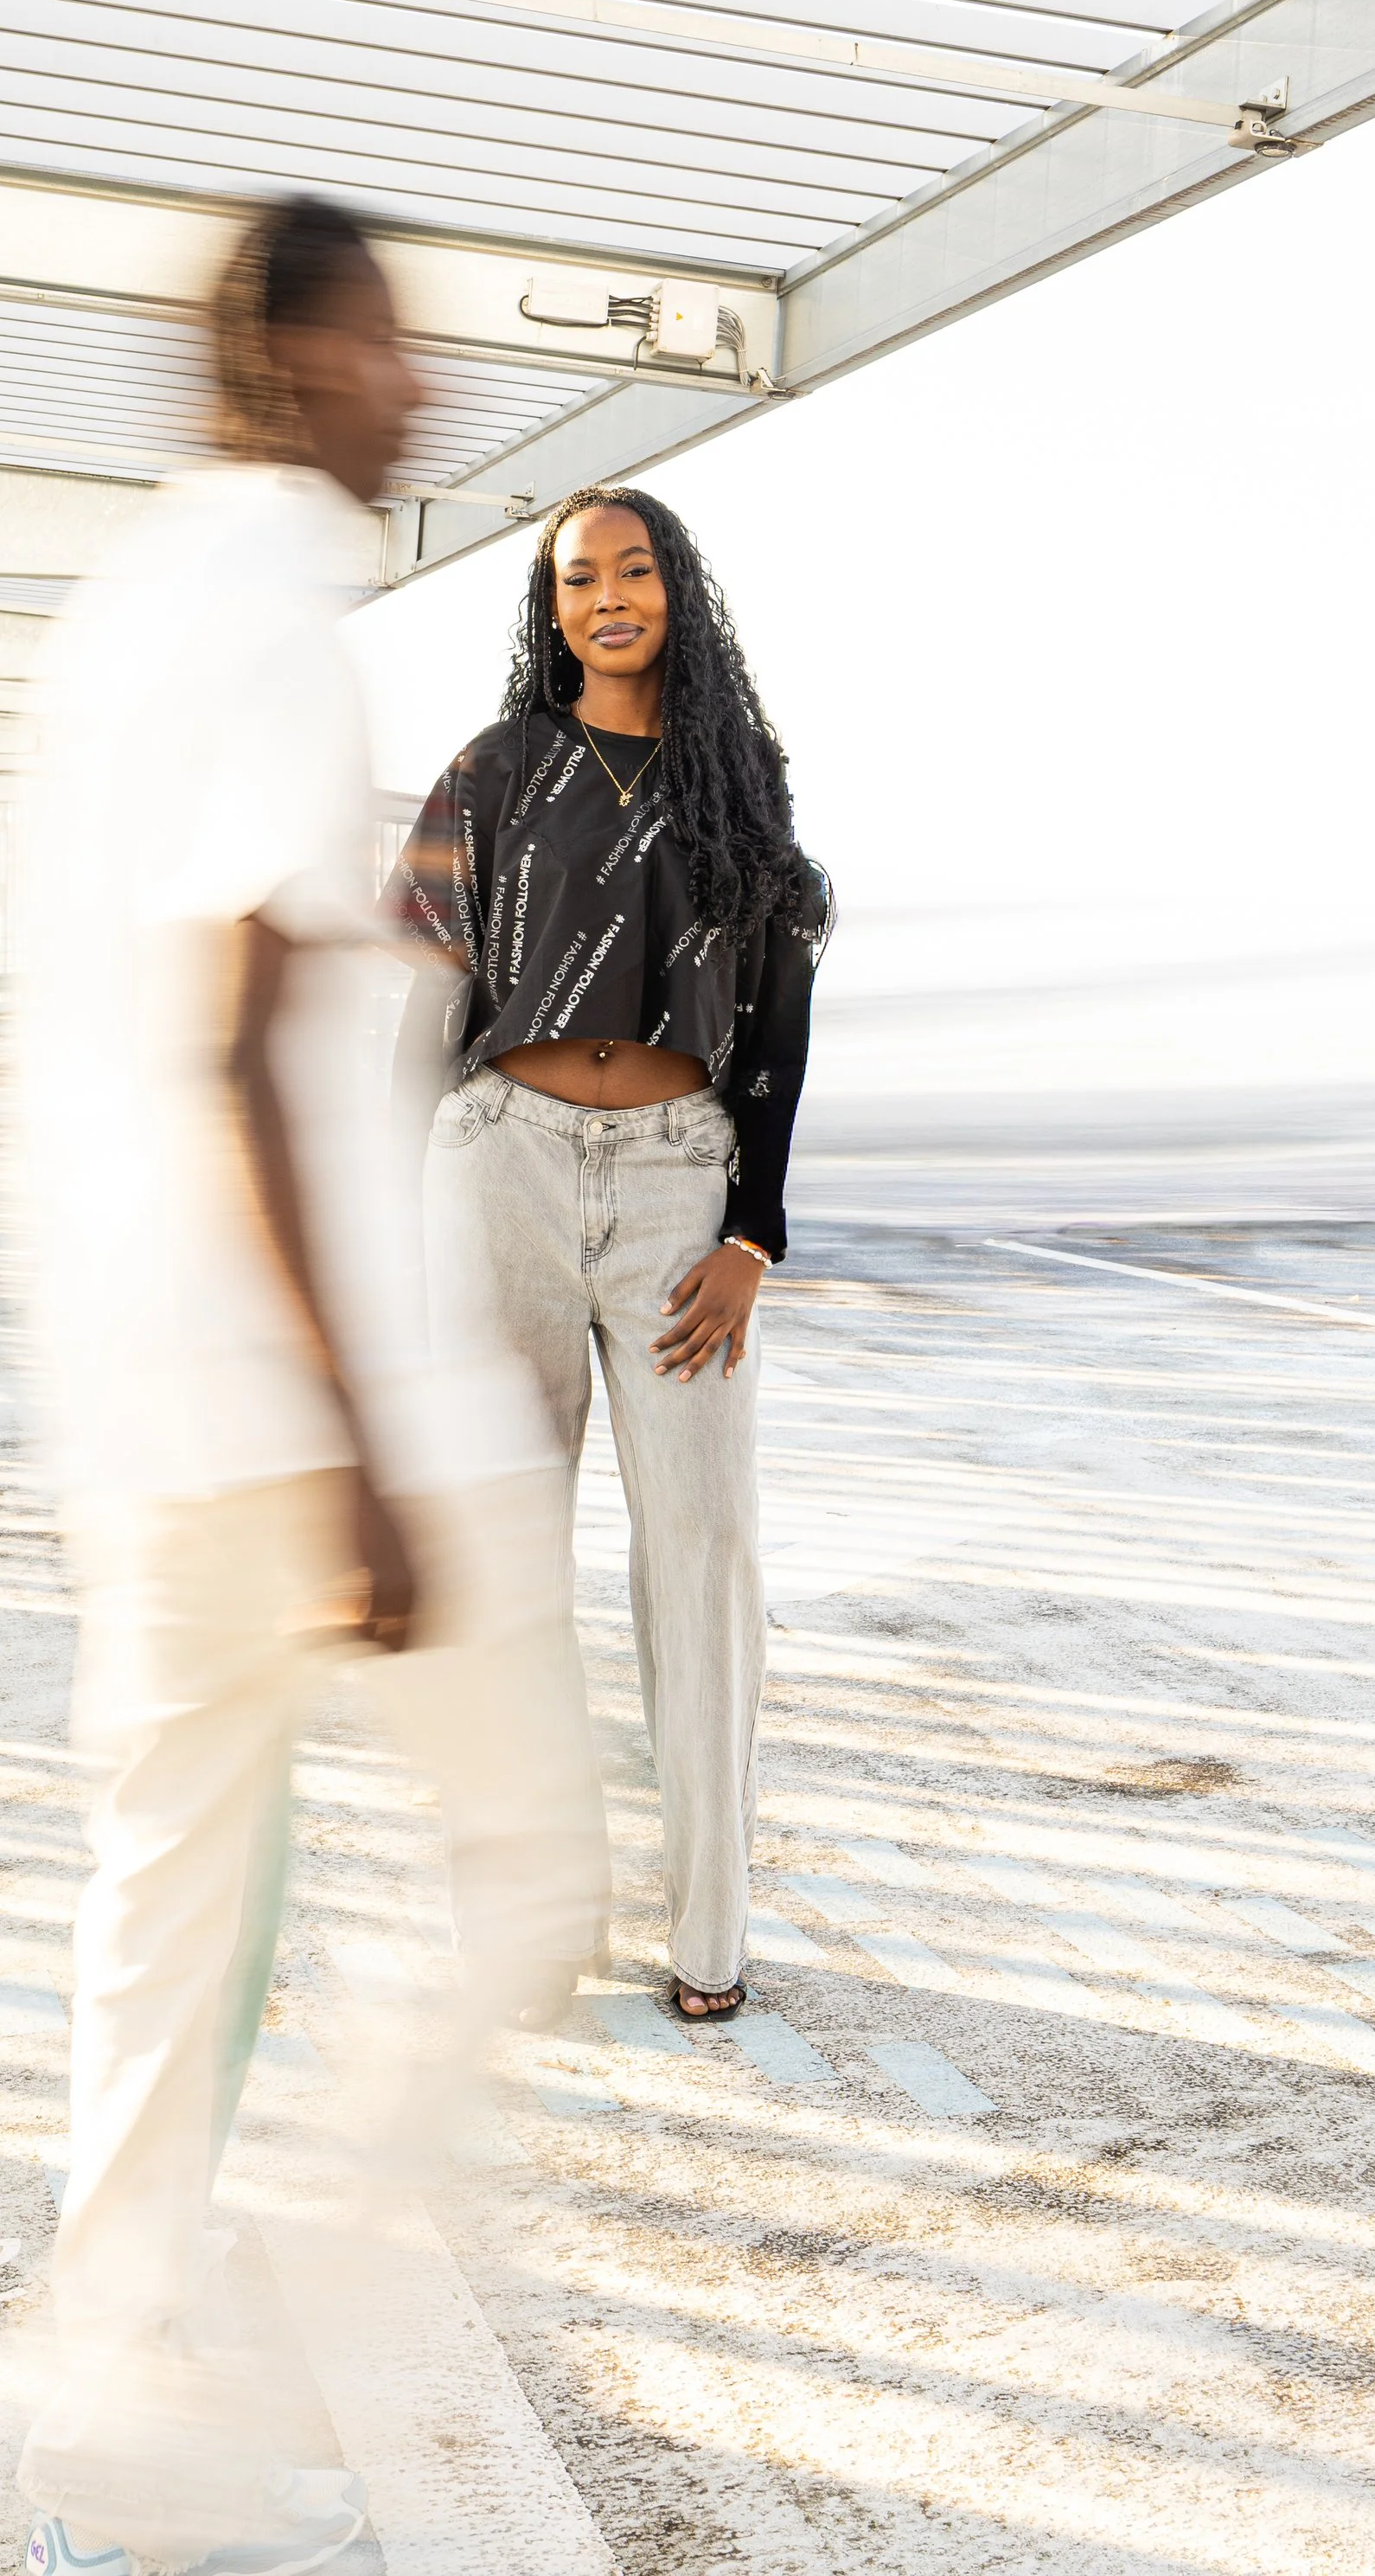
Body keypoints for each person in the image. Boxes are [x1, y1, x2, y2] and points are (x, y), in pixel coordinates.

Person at [14, 196, 607, 2576]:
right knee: (530, 1874)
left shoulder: (113, 617)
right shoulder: (272, 615)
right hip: (303, 1421)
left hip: (141, 1422)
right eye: (387, 347)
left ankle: (106, 2385)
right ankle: (265, 2342)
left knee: (157, 1928)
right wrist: (365, 1447)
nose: (422, 391)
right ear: (289, 353)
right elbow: (243, 1027)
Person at [391, 484, 828, 2022]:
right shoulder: (496, 767)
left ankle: (710, 1936)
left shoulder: (743, 780)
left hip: (675, 1190)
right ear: (553, 607)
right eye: (581, 578)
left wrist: (753, 1237)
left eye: (635, 569)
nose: (610, 596)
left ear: (676, 590)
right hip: (496, 1166)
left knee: (703, 1559)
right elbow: (424, 1010)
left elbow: (777, 1027)